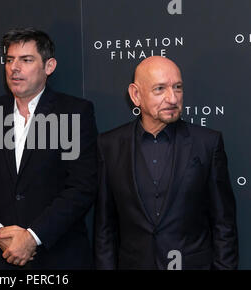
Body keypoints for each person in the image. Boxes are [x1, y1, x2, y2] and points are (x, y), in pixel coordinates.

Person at [0, 28, 98, 269]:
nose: (14, 68)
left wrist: (33, 236)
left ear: (49, 66)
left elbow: (81, 186)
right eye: (10, 60)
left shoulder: (74, 113)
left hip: (56, 257)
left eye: (26, 60)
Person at [94, 56, 238, 270]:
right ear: (136, 95)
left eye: (177, 88)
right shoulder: (110, 145)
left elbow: (223, 224)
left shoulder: (207, 143)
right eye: (160, 89)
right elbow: (105, 228)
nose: (172, 98)